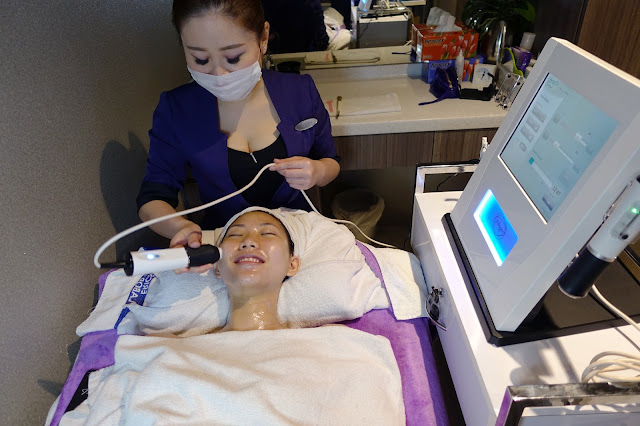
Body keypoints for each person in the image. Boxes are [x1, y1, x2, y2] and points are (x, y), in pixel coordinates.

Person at [137, 0, 340, 262]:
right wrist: (182, 228)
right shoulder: (177, 110)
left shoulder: (300, 91)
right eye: (200, 59)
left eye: (233, 57)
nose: (219, 74)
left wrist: (317, 171)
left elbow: (331, 161)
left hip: (299, 243)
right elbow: (152, 199)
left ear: (263, 38)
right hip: (226, 254)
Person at [214, 209, 300, 331]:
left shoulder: (323, 338)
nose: (248, 241)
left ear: (292, 265)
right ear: (217, 266)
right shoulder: (187, 343)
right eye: (235, 235)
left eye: (267, 233)